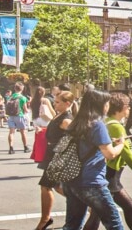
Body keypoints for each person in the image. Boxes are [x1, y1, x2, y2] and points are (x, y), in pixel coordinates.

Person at [63, 89, 127, 230]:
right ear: (101, 105)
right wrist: (122, 144)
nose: (108, 106)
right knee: (114, 222)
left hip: (71, 180)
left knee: (72, 225)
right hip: (91, 182)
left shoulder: (75, 123)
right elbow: (110, 154)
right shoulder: (97, 124)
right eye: (107, 103)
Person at [83, 92, 132, 230]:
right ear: (121, 108)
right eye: (128, 106)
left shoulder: (108, 123)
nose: (129, 109)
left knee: (100, 213)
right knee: (126, 207)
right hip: (110, 175)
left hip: (110, 174)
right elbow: (127, 154)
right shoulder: (116, 126)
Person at [36, 90, 75, 230]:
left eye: (58, 102)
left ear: (67, 104)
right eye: (55, 101)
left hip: (57, 156)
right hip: (52, 154)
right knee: (56, 186)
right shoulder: (60, 115)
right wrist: (44, 131)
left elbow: (77, 135)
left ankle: (45, 219)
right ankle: (85, 205)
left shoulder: (67, 119)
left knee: (46, 185)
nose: (55, 104)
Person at [6, 82, 30, 155]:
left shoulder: (10, 97)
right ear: (22, 89)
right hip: (19, 115)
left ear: (14, 88)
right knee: (23, 132)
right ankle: (25, 147)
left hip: (11, 116)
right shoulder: (23, 98)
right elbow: (25, 109)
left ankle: (11, 148)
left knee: (11, 132)